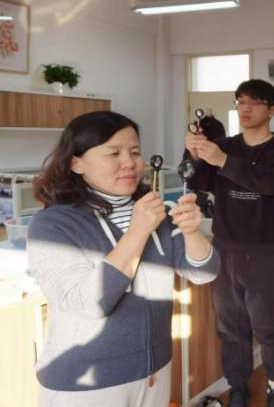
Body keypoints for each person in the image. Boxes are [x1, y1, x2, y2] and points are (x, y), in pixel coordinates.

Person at [28, 111, 219, 406]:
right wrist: (138, 231)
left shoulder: (156, 211)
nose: (129, 162)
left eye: (135, 151)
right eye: (113, 153)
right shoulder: (53, 224)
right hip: (85, 382)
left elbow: (205, 273)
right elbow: (89, 304)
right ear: (76, 163)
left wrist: (192, 232)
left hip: (154, 371)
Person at [184, 79, 274, 407]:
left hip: (267, 251)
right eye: (240, 102)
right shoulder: (225, 146)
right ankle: (238, 386)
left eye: (254, 102)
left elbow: (271, 183)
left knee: (269, 325)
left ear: (272, 110)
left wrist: (222, 160)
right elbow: (195, 180)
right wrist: (193, 153)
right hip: (226, 249)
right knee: (231, 326)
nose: (245, 108)